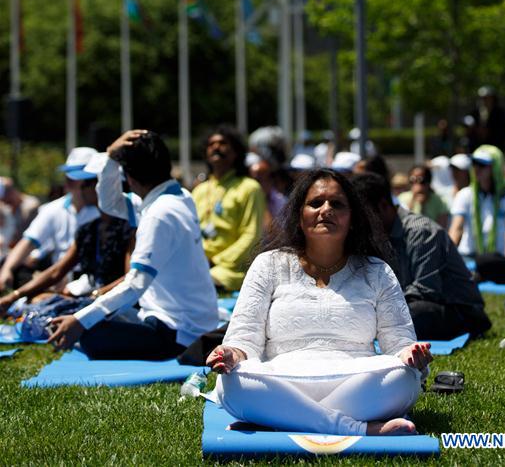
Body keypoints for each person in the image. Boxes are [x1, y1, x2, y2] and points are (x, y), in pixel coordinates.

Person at [206, 168, 431, 437]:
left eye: (336, 204)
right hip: (282, 377)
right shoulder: (269, 264)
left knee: (402, 378)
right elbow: (243, 341)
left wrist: (410, 355)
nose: (326, 210)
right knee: (234, 381)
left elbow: (400, 344)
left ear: (352, 219)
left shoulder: (376, 271)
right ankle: (359, 428)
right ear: (299, 216)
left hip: (355, 380)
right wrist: (230, 355)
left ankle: (281, 417)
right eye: (315, 203)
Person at [47, 130, 219, 360]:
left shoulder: (159, 213)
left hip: (178, 332)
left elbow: (135, 285)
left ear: (128, 178)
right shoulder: (179, 197)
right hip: (178, 320)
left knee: (90, 333)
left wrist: (80, 322)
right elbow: (111, 203)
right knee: (92, 314)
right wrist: (110, 156)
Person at [353, 172, 491, 341]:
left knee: (413, 314)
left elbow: (426, 289)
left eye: (364, 215)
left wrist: (379, 309)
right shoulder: (376, 234)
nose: (361, 222)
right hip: (414, 303)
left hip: (459, 309)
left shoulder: (420, 231)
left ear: (383, 206)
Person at [0, 148, 99, 292]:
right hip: (59, 275)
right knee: (16, 267)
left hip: (92, 277)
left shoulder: (106, 211)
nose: (69, 181)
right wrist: (7, 270)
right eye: (68, 176)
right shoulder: (53, 209)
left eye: (77, 178)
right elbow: (28, 241)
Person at [192, 126, 265, 292]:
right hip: (198, 265)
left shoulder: (249, 188)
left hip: (231, 270)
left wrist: (216, 260)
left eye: (223, 143)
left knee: (201, 283)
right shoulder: (199, 190)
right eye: (211, 144)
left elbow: (251, 235)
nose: (216, 147)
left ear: (236, 152)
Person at [449, 145, 505, 282]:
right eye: (474, 164)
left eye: (482, 165)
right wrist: (447, 256)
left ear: (495, 168)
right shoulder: (465, 195)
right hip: (469, 256)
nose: (476, 169)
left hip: (497, 259)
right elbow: (456, 228)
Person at [0, 176, 39, 245]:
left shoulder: (30, 206)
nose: (5, 204)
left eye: (7, 200)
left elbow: (28, 237)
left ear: (12, 192)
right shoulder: (7, 207)